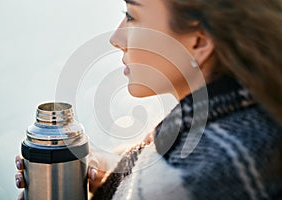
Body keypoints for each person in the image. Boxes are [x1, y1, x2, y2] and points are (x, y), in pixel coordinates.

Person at [15, 0, 282, 199]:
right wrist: (112, 176)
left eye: (132, 16)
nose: (116, 38)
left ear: (199, 42)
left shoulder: (179, 182)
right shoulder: (258, 115)